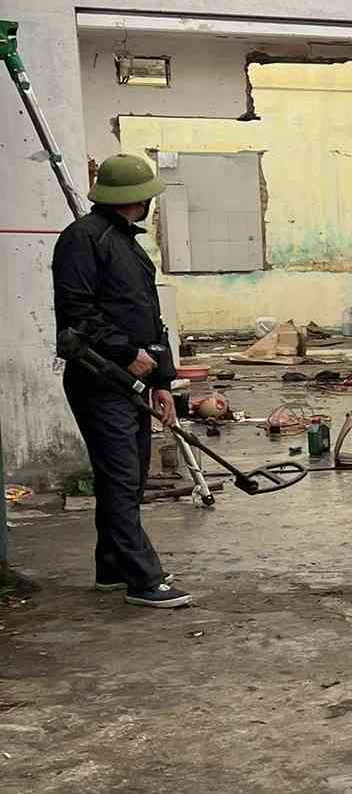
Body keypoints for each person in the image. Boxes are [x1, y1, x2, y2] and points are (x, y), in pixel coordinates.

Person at [52, 154, 193, 608]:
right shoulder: (82, 240)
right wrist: (123, 352)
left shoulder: (126, 243)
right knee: (119, 478)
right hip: (99, 379)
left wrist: (163, 381)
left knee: (128, 479)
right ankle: (143, 580)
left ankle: (112, 566)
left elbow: (150, 321)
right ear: (136, 199)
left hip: (132, 379)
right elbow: (77, 313)